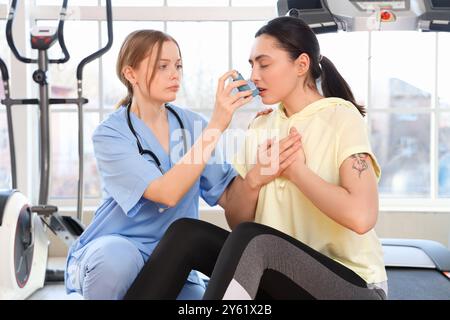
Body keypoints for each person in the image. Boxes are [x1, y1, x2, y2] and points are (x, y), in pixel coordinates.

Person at [124, 16, 388, 300]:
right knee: (188, 234)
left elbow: (362, 217)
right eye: (252, 65)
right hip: (279, 279)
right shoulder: (261, 126)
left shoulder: (340, 117)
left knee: (255, 239)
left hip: (353, 288)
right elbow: (237, 222)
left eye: (264, 64)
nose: (254, 77)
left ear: (301, 65)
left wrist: (297, 172)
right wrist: (254, 179)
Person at [64, 29, 302, 300]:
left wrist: (256, 176)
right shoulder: (111, 134)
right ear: (131, 74)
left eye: (177, 65)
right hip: (115, 250)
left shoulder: (192, 126)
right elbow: (166, 192)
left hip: (173, 257)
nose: (174, 74)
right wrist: (216, 125)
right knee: (117, 262)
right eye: (162, 66)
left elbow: (231, 200)